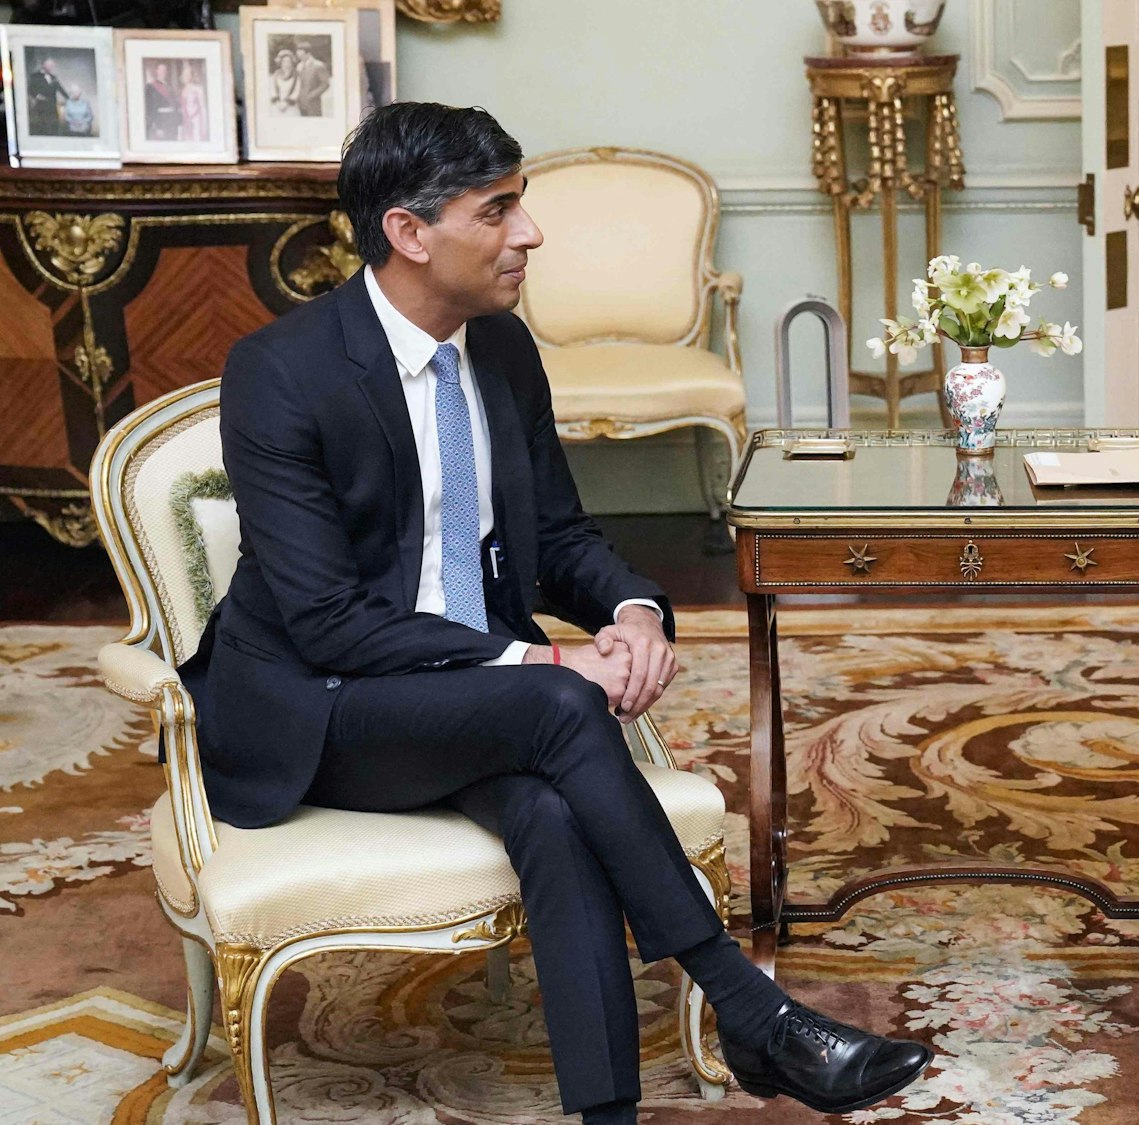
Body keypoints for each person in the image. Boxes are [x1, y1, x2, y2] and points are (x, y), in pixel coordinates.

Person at [181, 102, 932, 1124]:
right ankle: (751, 1010)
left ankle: (606, 1115)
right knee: (558, 710)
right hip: (323, 709)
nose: (528, 233)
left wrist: (632, 614)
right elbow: (327, 623)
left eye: (520, 205)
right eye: (497, 211)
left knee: (549, 808)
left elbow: (560, 539)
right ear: (409, 232)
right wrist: (543, 667)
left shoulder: (500, 351)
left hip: (462, 703)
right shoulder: (282, 373)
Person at [26, 57, 65, 136]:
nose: (51, 67)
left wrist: (69, 98)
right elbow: (30, 89)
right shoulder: (35, 76)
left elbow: (60, 89)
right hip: (42, 106)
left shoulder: (54, 77)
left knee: (54, 126)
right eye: (49, 65)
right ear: (44, 65)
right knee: (42, 126)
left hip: (52, 106)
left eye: (52, 65)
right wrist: (37, 96)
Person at [144, 60, 180, 142]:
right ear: (156, 71)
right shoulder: (150, 87)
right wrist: (157, 126)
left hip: (172, 122)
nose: (163, 72)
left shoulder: (170, 87)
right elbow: (150, 108)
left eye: (164, 70)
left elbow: (175, 105)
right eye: (160, 70)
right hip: (160, 122)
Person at [295, 41, 330, 117]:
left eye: (301, 53)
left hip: (313, 104)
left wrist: (311, 95)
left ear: (308, 53)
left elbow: (325, 84)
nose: (298, 55)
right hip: (300, 104)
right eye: (298, 52)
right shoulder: (299, 66)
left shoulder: (318, 65)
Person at [177, 61, 208, 143]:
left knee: (196, 139)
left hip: (196, 119)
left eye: (188, 74)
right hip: (185, 120)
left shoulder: (198, 89)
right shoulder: (182, 89)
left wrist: (204, 126)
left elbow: (203, 107)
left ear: (192, 75)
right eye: (184, 75)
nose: (186, 77)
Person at [267, 48, 300, 117]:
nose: (286, 64)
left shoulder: (296, 76)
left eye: (289, 61)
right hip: (277, 107)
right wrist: (277, 103)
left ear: (292, 62)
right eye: (284, 61)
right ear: (280, 63)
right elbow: (272, 90)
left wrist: (286, 103)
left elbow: (296, 92)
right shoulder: (275, 75)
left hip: (291, 107)